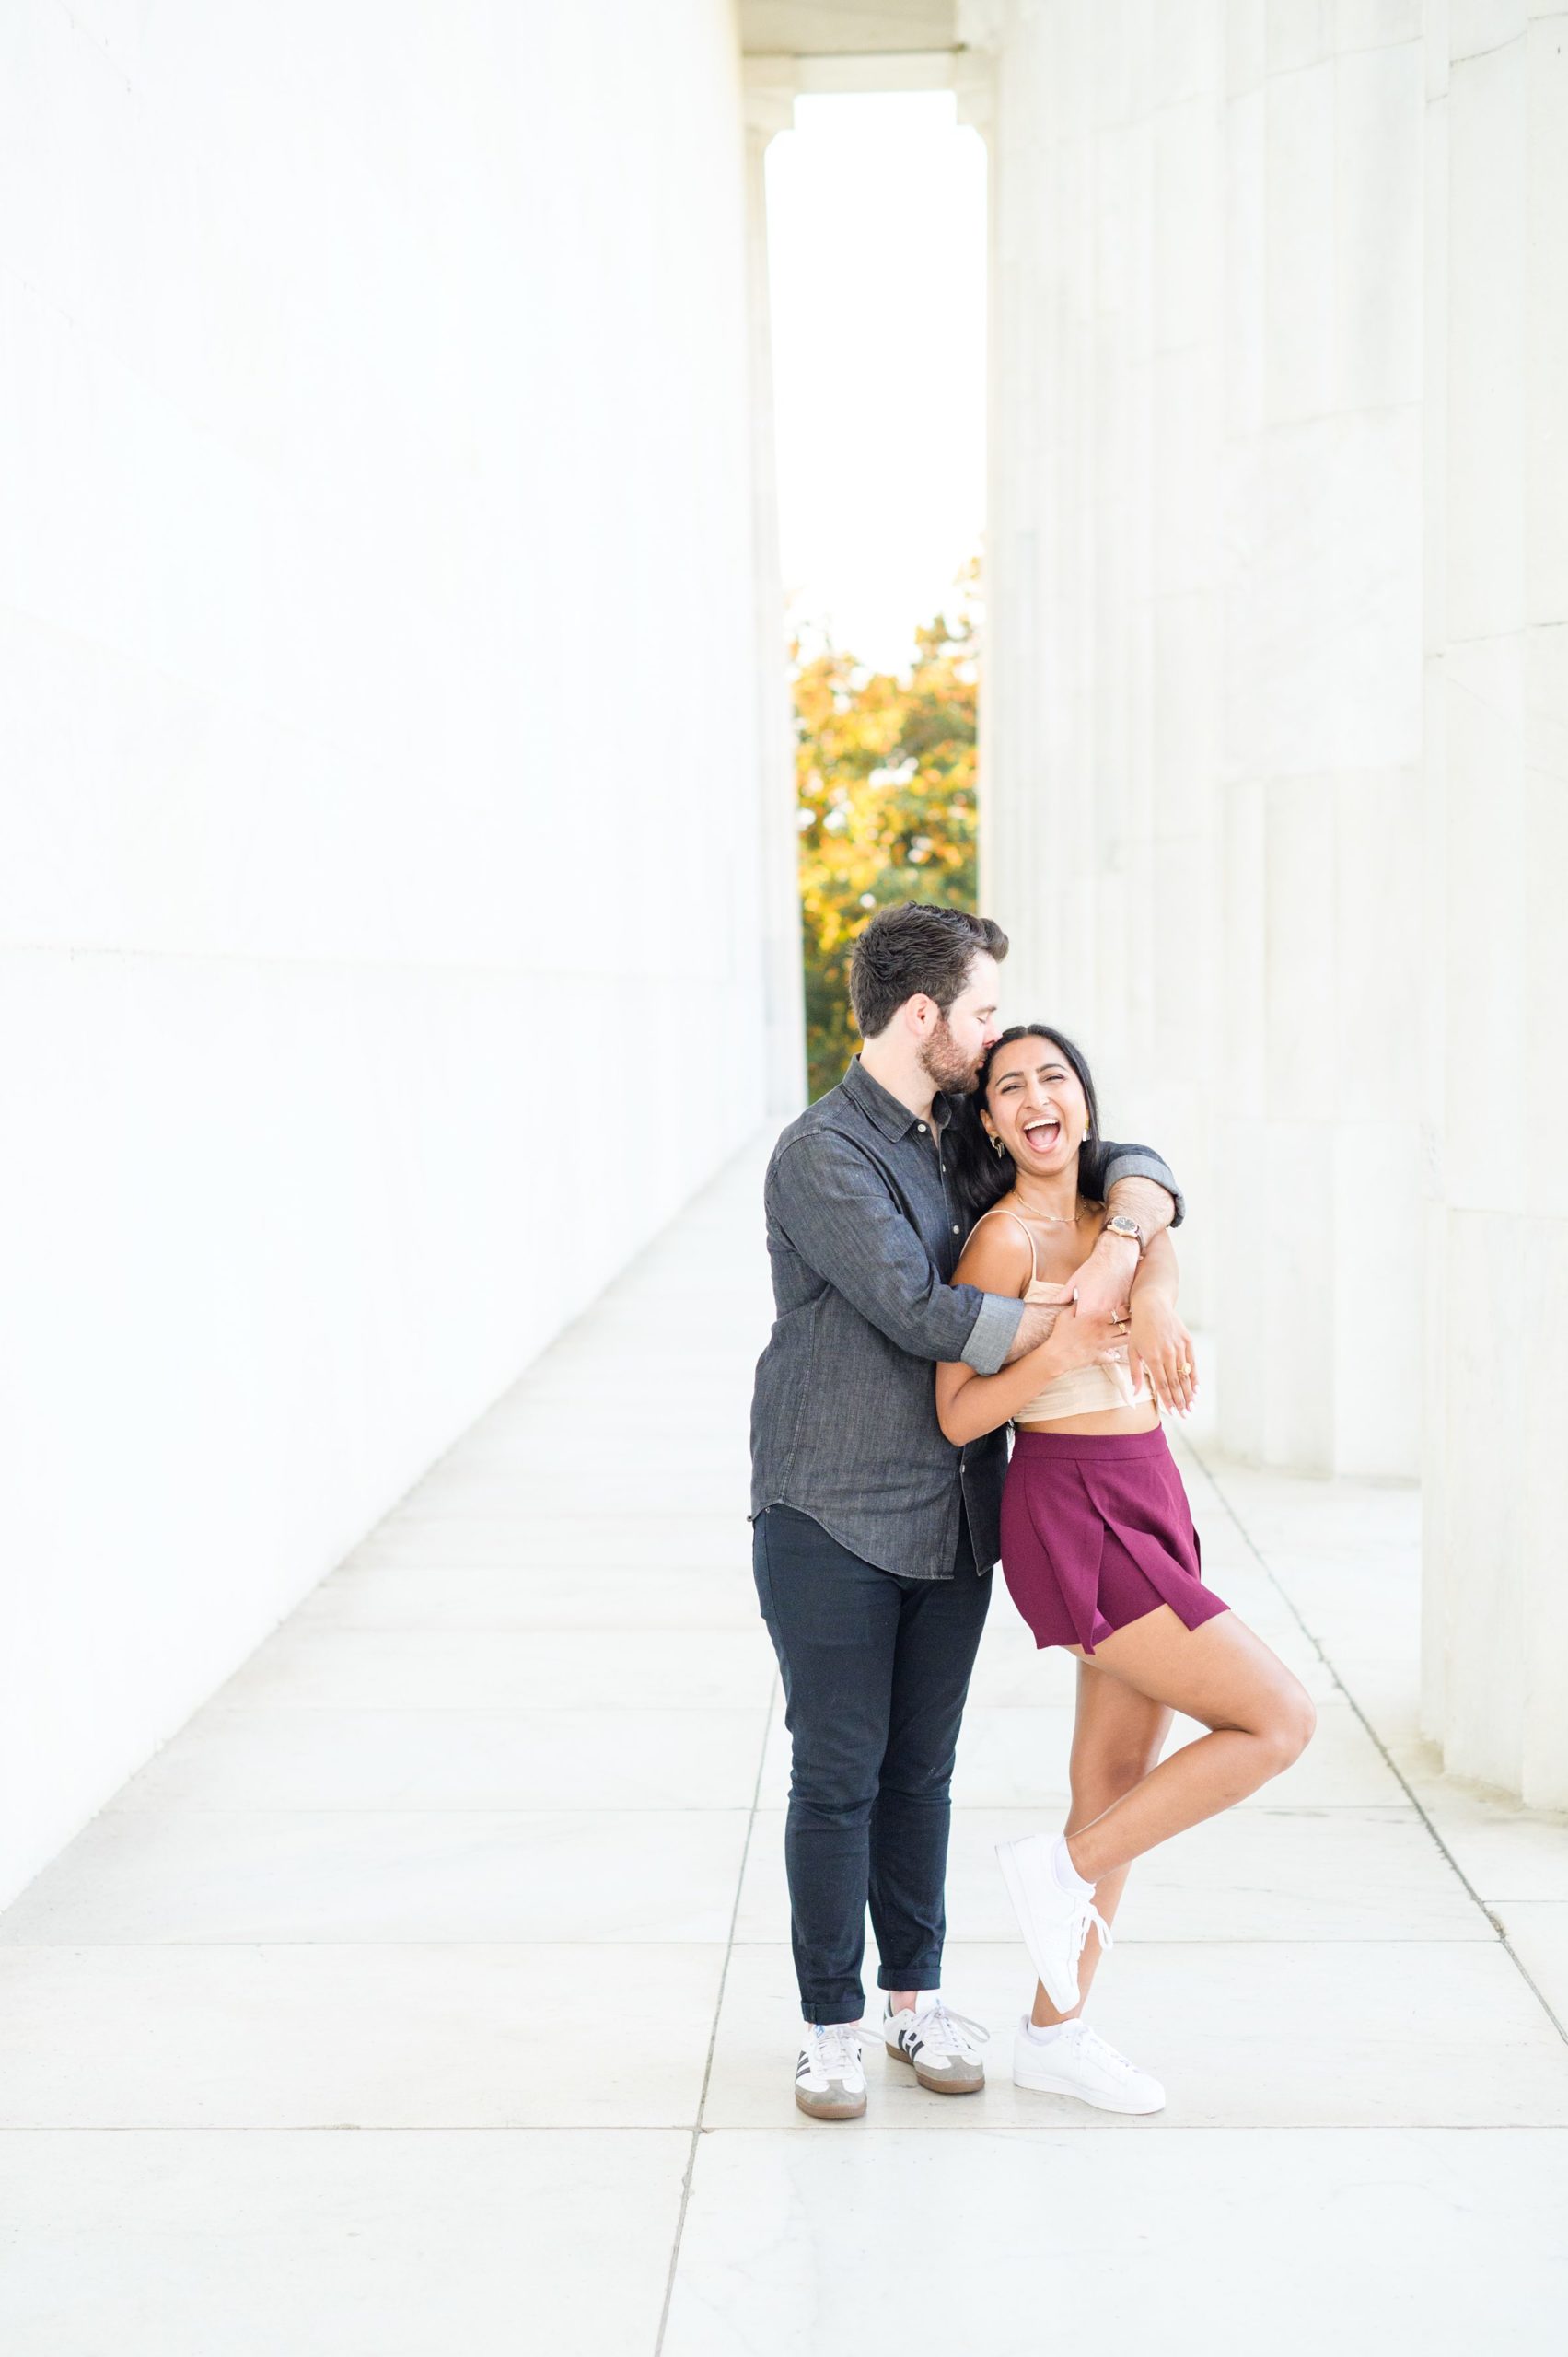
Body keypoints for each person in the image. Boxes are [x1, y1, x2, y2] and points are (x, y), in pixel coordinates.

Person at [749, 905, 1183, 2120]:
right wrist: (1088, 1310)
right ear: (926, 1015)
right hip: (828, 1505)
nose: (996, 1037)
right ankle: (831, 2024)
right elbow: (920, 1312)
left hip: (951, 1510)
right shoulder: (820, 1152)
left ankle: (914, 2002)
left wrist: (1134, 1234)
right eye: (983, 1012)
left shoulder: (958, 1135)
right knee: (838, 1769)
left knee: (922, 1768)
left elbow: (1120, 1154)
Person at [936, 1022, 1317, 2115]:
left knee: (1107, 1784)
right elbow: (957, 1410)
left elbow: (1158, 1238)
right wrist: (1055, 1350)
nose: (1032, 1096)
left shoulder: (1121, 1211)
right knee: (1276, 1720)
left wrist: (1151, 1294)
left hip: (1150, 1490)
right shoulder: (1001, 1242)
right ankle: (1056, 1870)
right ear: (994, 1120)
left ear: (1083, 1104)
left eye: (1051, 1076)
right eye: (1008, 1086)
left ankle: (1055, 2033)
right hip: (1074, 1507)